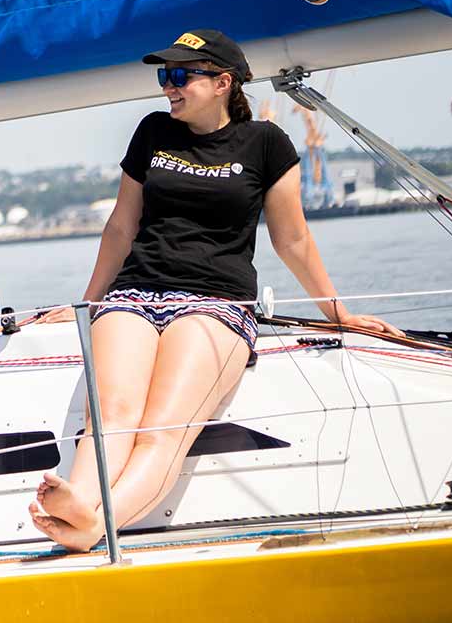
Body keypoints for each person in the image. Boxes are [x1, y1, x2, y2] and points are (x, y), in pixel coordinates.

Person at [28, 29, 400, 552]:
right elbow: (120, 226)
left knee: (165, 427)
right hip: (135, 293)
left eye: (180, 76)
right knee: (110, 413)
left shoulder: (267, 144)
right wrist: (87, 302)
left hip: (216, 302)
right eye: (164, 76)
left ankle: (92, 526)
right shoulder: (154, 132)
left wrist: (337, 312)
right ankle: (78, 504)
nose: (168, 87)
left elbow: (291, 238)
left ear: (223, 82)